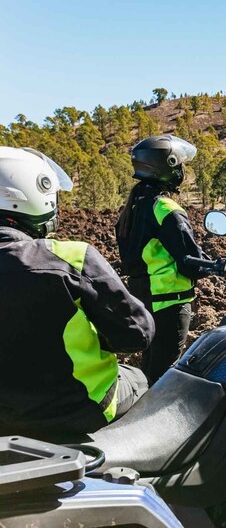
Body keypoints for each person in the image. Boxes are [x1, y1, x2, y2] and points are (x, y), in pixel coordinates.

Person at [0, 146, 154, 436]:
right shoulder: (71, 257)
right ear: (35, 192)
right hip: (76, 410)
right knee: (140, 379)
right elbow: (138, 334)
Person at [116, 135, 209, 384]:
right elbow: (190, 261)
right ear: (166, 166)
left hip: (143, 300)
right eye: (178, 164)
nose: (181, 169)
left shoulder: (132, 208)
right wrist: (215, 265)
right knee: (165, 375)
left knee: (151, 367)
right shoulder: (166, 209)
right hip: (170, 303)